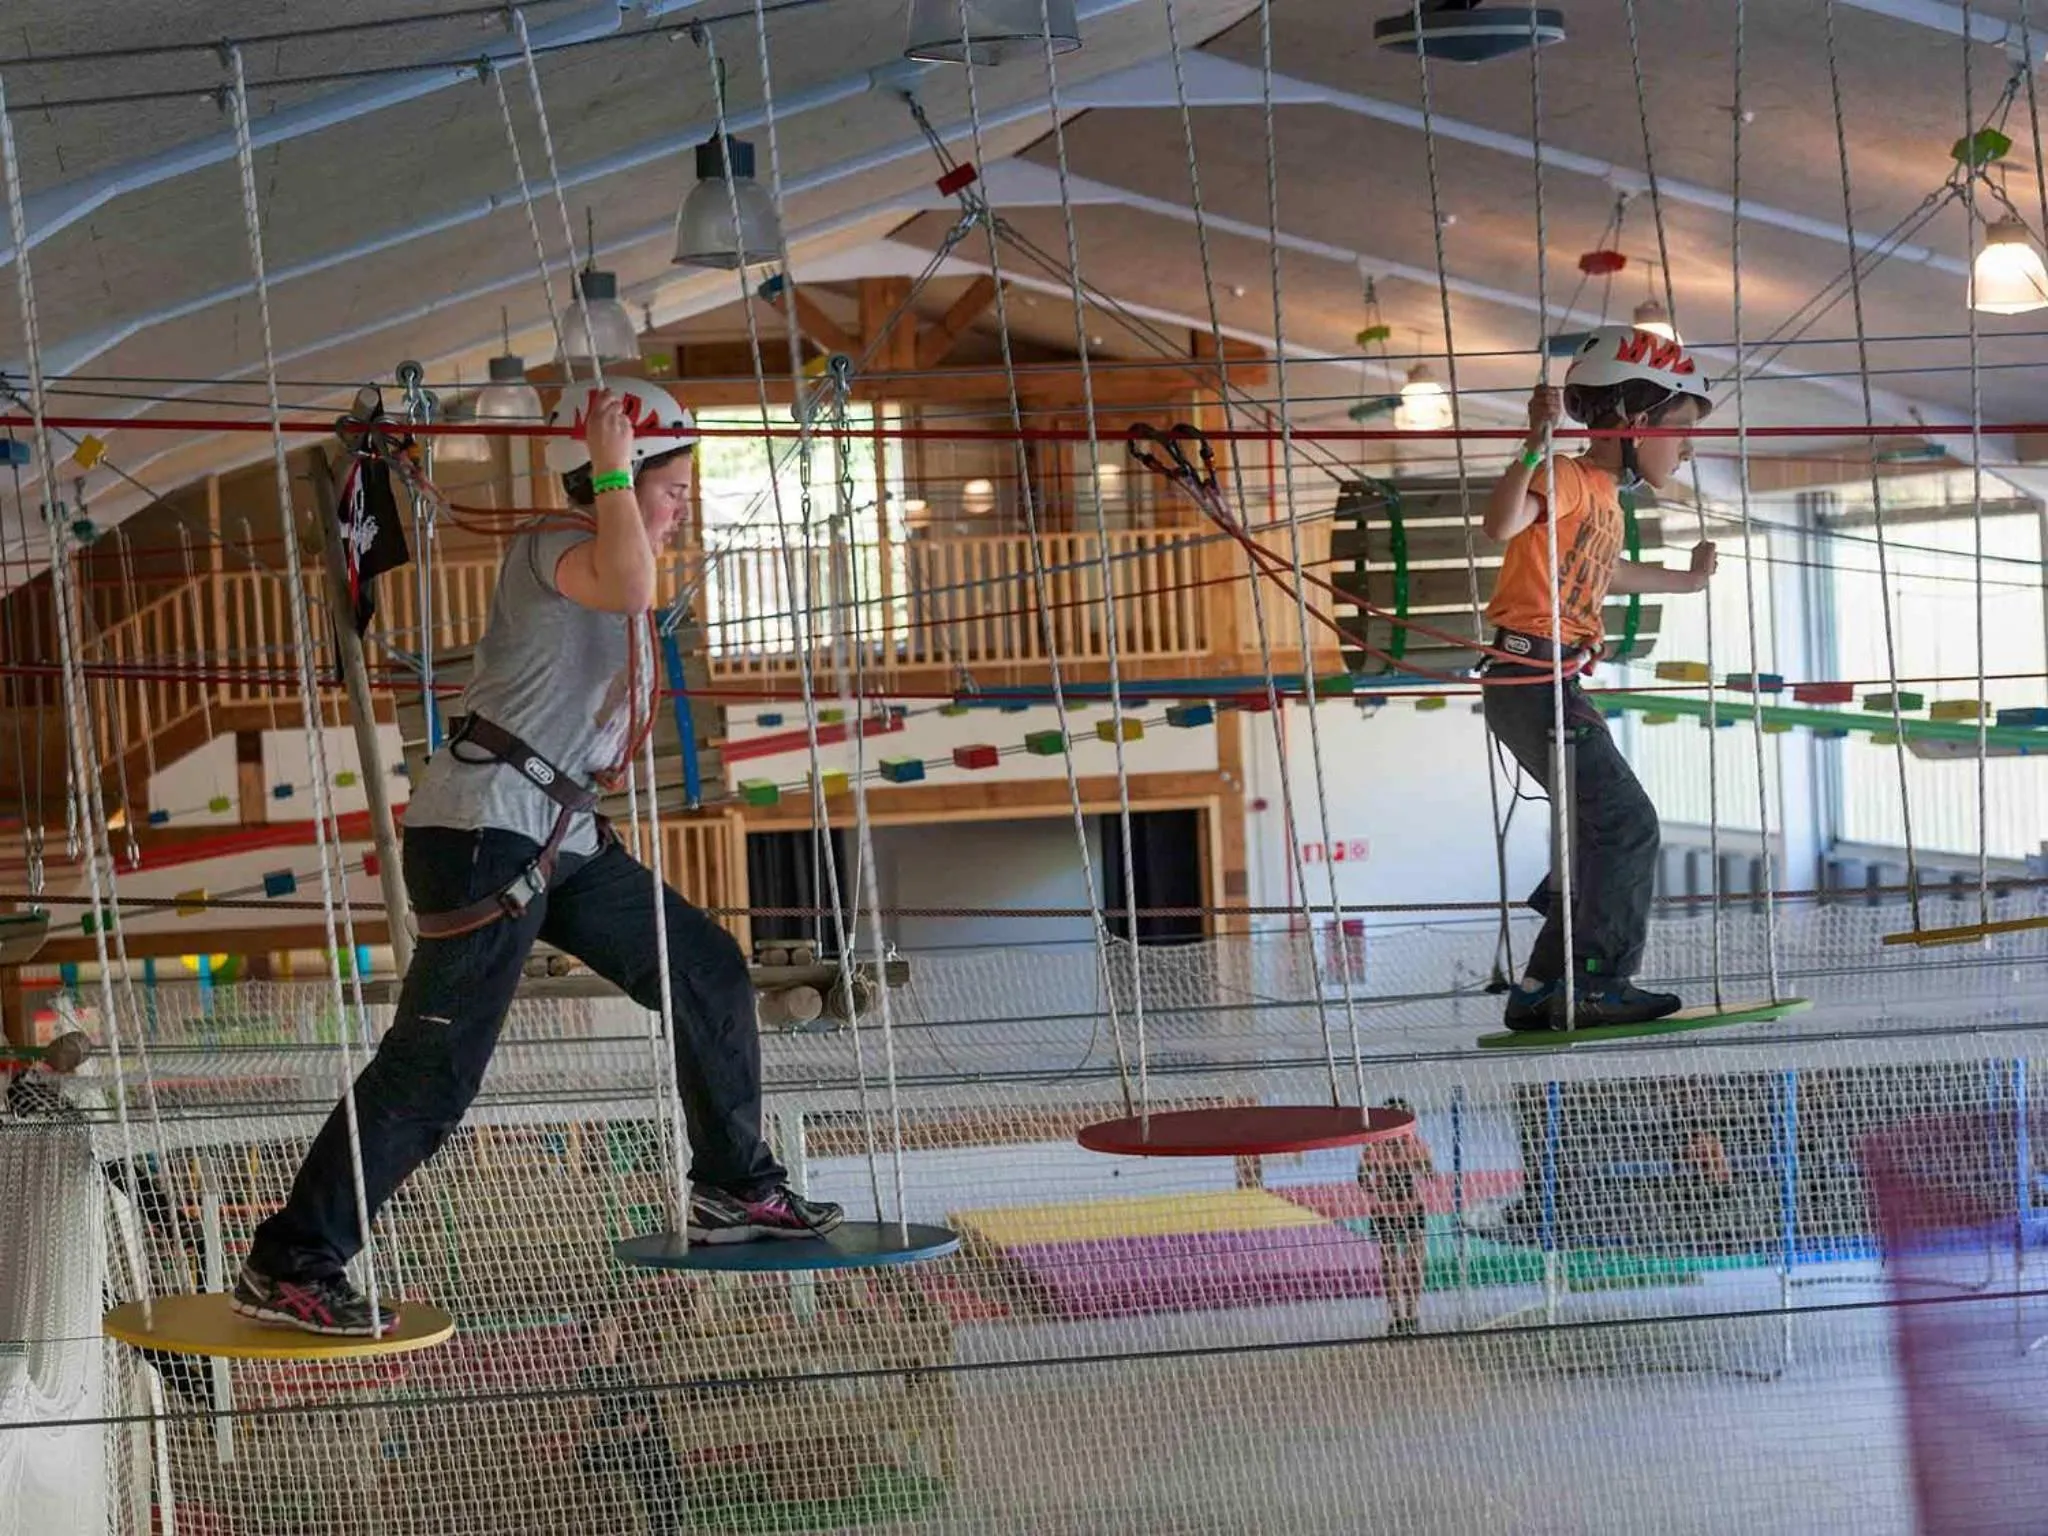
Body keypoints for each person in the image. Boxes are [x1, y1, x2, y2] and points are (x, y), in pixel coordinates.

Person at [236, 380, 841, 1337]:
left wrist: (626, 479)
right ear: (619, 482)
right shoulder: (554, 548)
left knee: (707, 968)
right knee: (433, 1073)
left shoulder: (610, 555)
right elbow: (630, 578)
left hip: (560, 835)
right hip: (487, 829)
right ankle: (291, 1262)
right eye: (674, 492)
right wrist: (609, 464)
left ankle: (734, 1186)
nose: (685, 512)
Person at [1479, 325, 1718, 1031]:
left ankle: (1541, 991)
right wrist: (1534, 440)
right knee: (1626, 823)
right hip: (1531, 681)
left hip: (1546, 684)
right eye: (1679, 428)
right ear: (1637, 424)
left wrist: (1686, 580)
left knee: (1597, 831)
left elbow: (1602, 570)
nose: (1687, 445)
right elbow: (1499, 525)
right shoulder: (1567, 477)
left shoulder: (1604, 498)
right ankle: (1599, 982)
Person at [1357, 1098, 1433, 1337]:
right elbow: (1362, 1176)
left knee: (1413, 1262)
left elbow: (1429, 1172)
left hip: (1410, 1210)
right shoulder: (1376, 1147)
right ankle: (1399, 1316)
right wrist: (1375, 1188)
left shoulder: (1414, 1144)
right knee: (1391, 1263)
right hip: (1387, 1212)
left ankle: (1410, 1314)